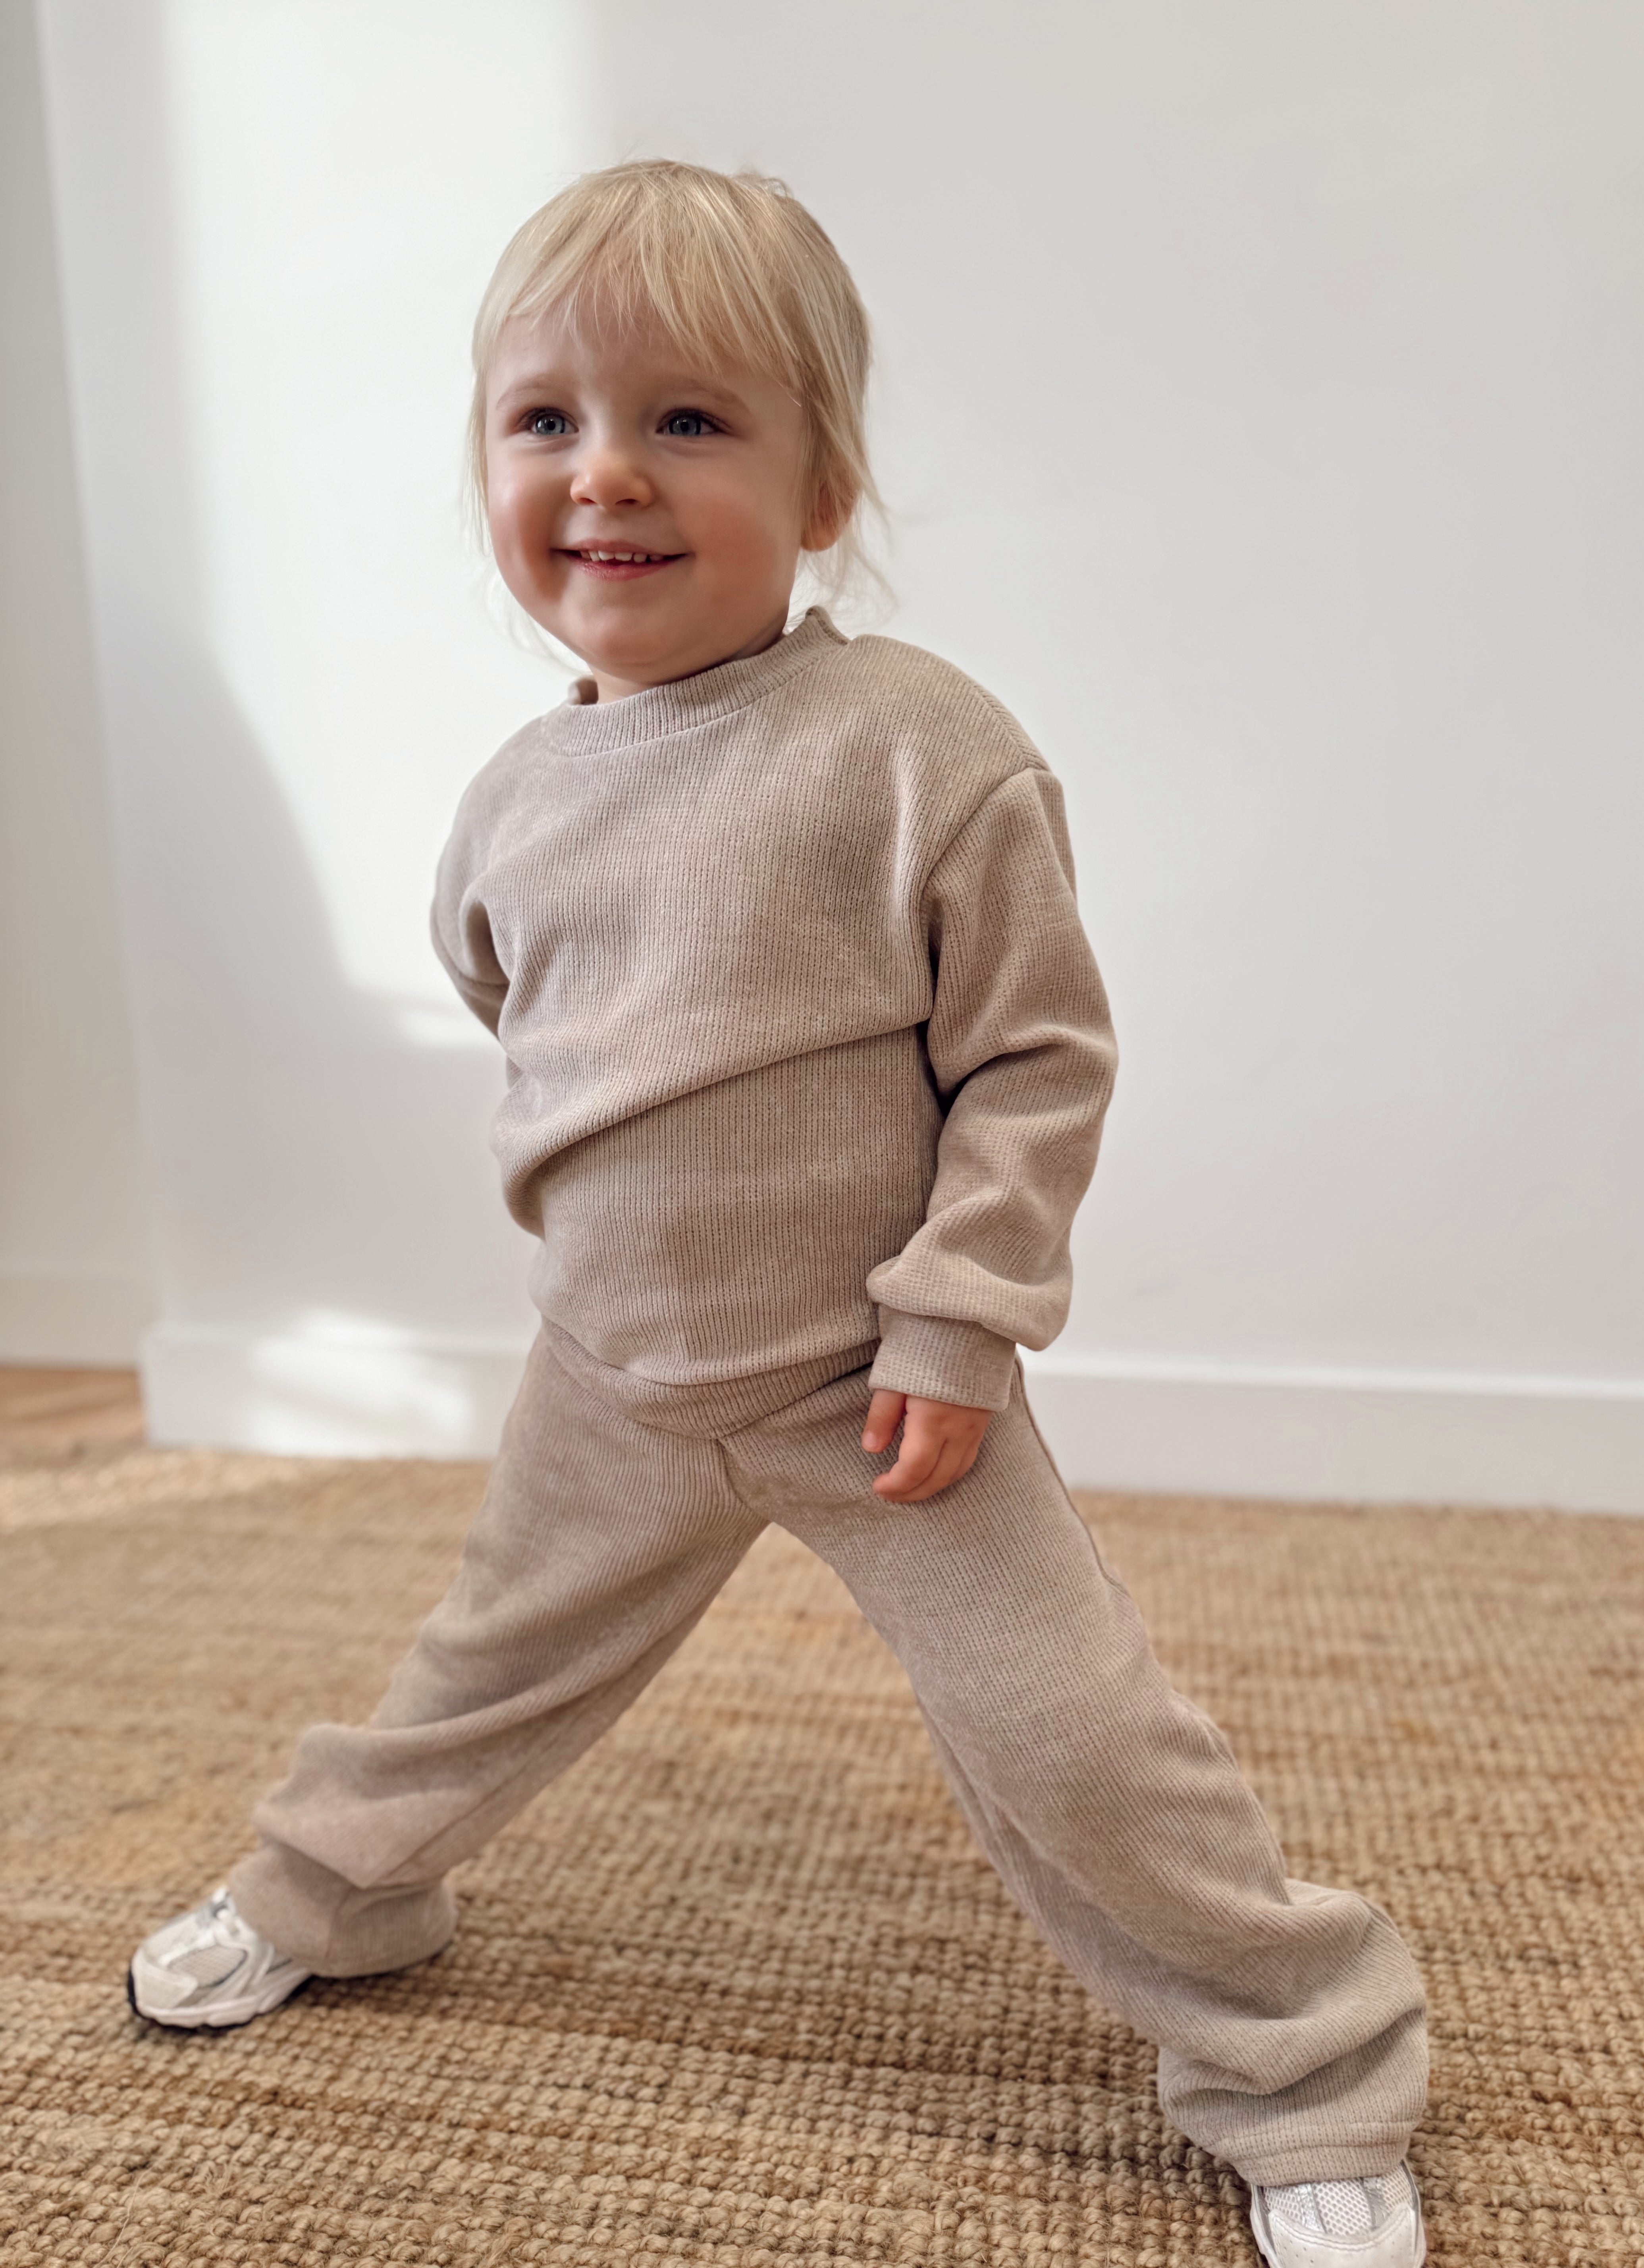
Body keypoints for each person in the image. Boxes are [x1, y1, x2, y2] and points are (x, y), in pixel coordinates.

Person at [128, 161, 1428, 2268]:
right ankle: (333, 1894)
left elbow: (1037, 1059)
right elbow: (520, 1011)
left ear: (824, 488)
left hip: (877, 1385)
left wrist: (957, 1318)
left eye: (689, 419)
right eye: (543, 419)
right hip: (612, 1378)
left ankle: (1308, 2064)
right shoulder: (511, 800)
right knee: (478, 1670)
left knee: (1072, 1730)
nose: (606, 471)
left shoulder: (916, 750)